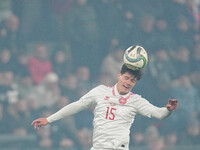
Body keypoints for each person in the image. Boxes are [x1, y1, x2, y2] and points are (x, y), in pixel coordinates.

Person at [32, 64, 178, 150]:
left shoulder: (136, 101)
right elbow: (77, 105)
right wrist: (49, 119)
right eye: (126, 78)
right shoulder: (100, 91)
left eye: (132, 80)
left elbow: (158, 114)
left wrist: (168, 110)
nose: (128, 82)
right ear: (119, 75)